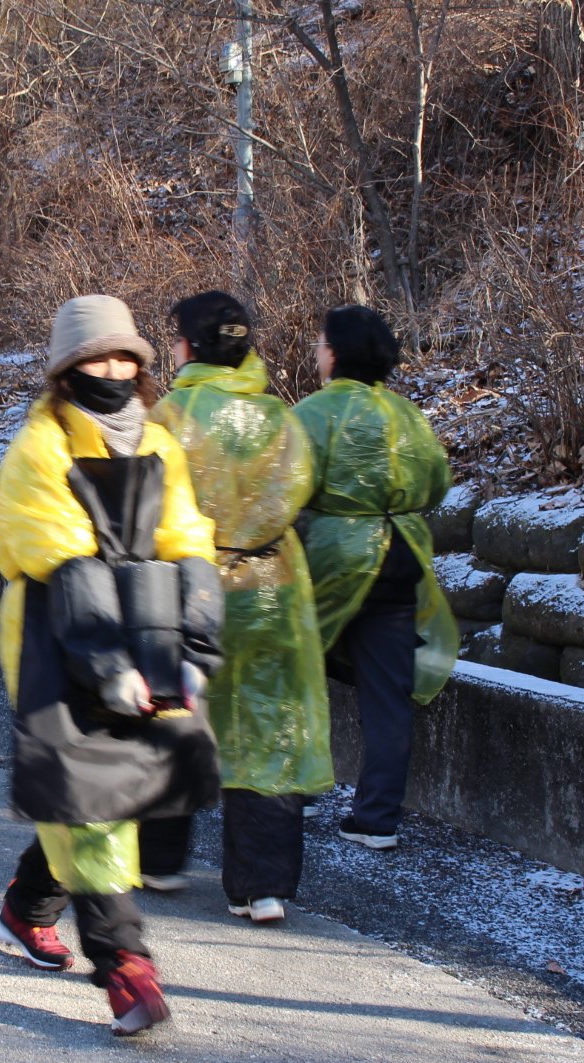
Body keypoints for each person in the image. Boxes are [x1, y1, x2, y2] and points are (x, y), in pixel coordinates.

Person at [0, 294, 223, 1036]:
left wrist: (197, 647)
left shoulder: (159, 442)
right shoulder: (40, 447)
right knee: (90, 795)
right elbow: (62, 558)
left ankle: (26, 909)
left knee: (103, 790)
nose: (114, 370)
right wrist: (106, 662)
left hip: (149, 633)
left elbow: (188, 540)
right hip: (57, 638)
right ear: (68, 368)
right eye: (97, 358)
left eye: (126, 357)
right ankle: (125, 966)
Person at [148, 290, 332, 922]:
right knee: (267, 727)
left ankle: (160, 859)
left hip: (190, 582)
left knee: (174, 713)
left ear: (189, 346)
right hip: (272, 583)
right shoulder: (282, 419)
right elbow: (300, 488)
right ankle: (263, 886)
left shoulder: (170, 417)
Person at [291, 305, 458, 851]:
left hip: (331, 560)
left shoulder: (312, 414)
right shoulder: (405, 413)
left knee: (299, 670)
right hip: (399, 556)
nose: (317, 352)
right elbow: (437, 481)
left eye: (320, 343)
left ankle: (298, 787)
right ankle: (377, 817)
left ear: (335, 353)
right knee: (388, 693)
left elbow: (285, 486)